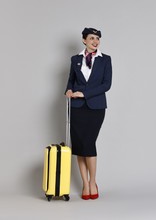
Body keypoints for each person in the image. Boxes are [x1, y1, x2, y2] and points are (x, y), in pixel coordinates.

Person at [65, 27, 112, 200]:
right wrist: (69, 90)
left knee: (89, 143)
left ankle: (93, 182)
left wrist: (84, 93)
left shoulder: (105, 60)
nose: (95, 41)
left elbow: (106, 85)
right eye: (91, 38)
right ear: (84, 40)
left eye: (97, 38)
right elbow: (71, 79)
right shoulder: (75, 59)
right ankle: (85, 183)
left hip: (96, 107)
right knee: (80, 146)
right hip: (77, 107)